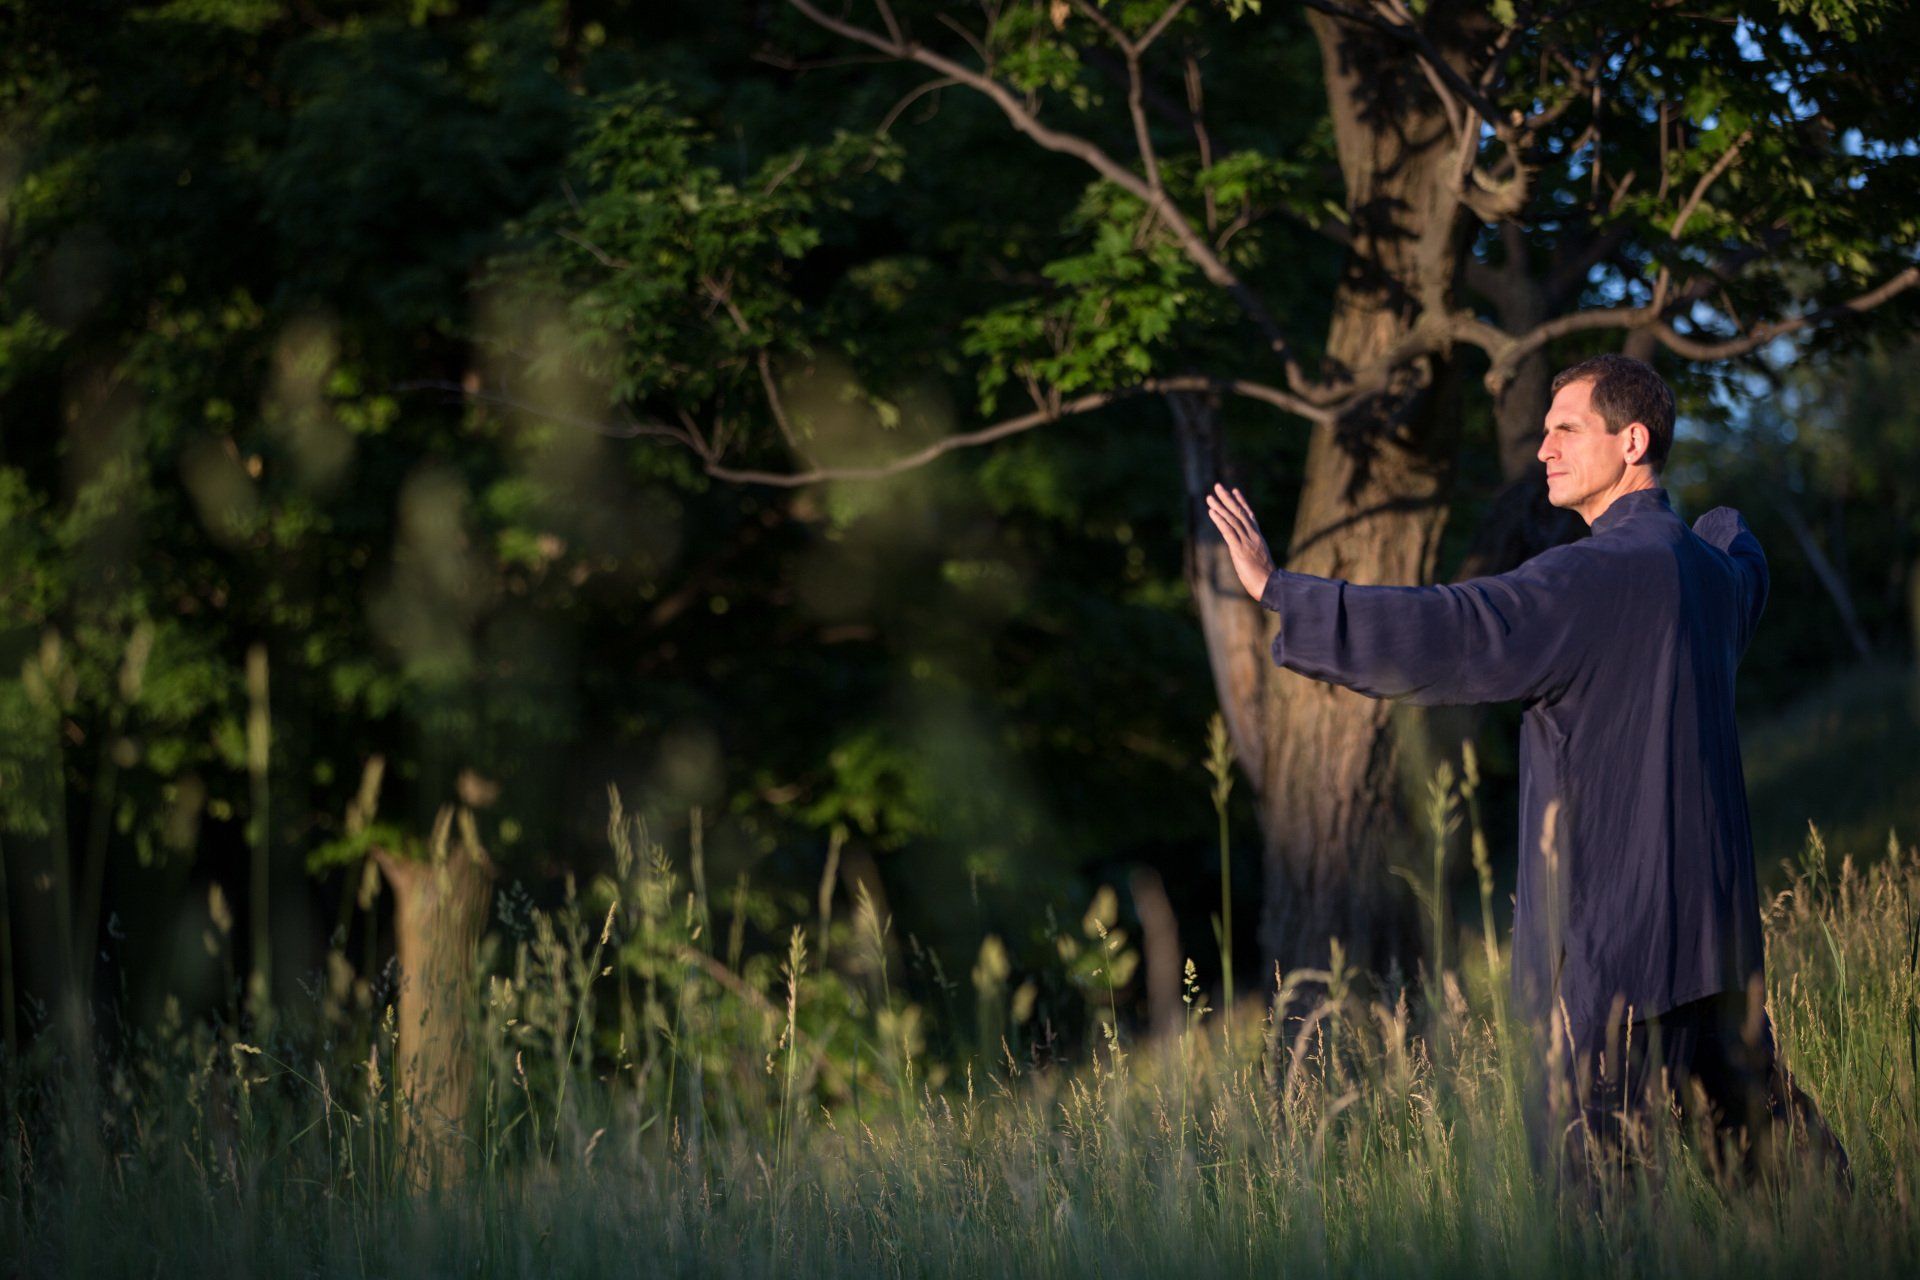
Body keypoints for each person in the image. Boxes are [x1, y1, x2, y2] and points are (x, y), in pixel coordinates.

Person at [1203, 353, 1847, 1186]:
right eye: (1543, 430)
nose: (1543, 448)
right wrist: (1717, 523)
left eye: (1566, 429)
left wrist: (1283, 593)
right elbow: (1740, 552)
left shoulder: (1592, 577)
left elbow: (1455, 628)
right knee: (1787, 1188)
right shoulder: (1709, 578)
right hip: (1712, 947)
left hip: (1612, 961)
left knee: (1600, 1218)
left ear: (1633, 440)